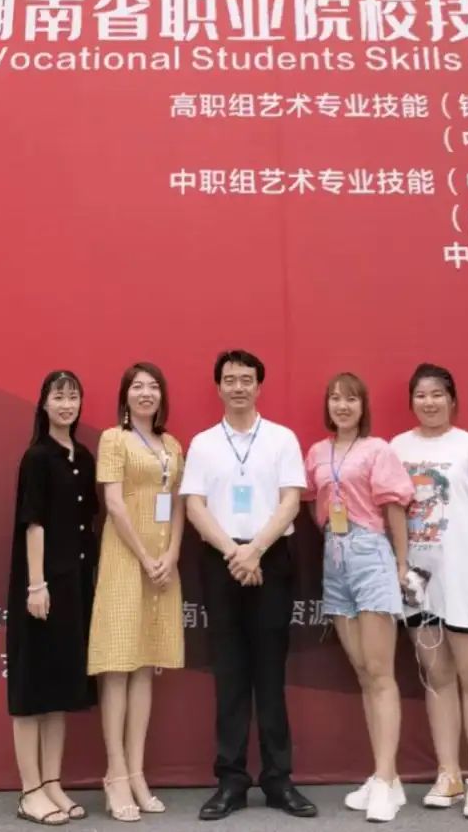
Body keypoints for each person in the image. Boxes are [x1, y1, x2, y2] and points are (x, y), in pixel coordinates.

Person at [181, 349, 317, 821]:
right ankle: (231, 781)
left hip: (271, 558)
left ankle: (278, 780)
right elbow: (194, 506)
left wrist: (255, 549)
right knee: (230, 674)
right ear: (218, 387)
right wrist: (234, 552)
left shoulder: (281, 438)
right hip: (221, 559)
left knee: (270, 675)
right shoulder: (203, 443)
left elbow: (290, 501)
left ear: (259, 386)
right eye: (229, 379)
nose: (238, 387)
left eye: (246, 379)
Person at [389, 363, 468, 821]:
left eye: (437, 394)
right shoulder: (396, 448)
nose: (429, 402)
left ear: (452, 399)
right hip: (417, 579)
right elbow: (389, 511)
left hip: (465, 578)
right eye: (421, 395)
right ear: (411, 401)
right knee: (436, 675)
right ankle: (449, 773)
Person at [302, 372, 414, 823]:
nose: (342, 406)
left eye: (351, 399)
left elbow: (394, 508)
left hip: (371, 555)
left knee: (382, 673)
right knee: (365, 673)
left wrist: (401, 564)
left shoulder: (378, 450)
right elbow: (313, 504)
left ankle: (385, 779)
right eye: (335, 398)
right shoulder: (317, 452)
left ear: (363, 406)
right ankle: (385, 776)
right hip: (334, 557)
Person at [87, 363, 185, 822]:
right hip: (126, 560)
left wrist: (172, 555)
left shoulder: (173, 445)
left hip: (163, 565)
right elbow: (113, 503)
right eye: (137, 387)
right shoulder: (114, 439)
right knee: (118, 666)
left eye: (153, 387)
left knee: (146, 665)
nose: (146, 393)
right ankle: (115, 774)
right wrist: (145, 557)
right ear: (125, 396)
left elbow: (179, 503)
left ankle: (138, 773)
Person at [6, 370, 98, 826]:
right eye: (58, 397)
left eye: (73, 396)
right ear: (43, 404)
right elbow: (34, 523)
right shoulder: (37, 457)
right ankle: (29, 790)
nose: (66, 404)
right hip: (41, 587)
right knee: (32, 688)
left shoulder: (83, 456)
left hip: (75, 585)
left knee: (59, 688)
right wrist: (36, 585)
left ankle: (52, 782)